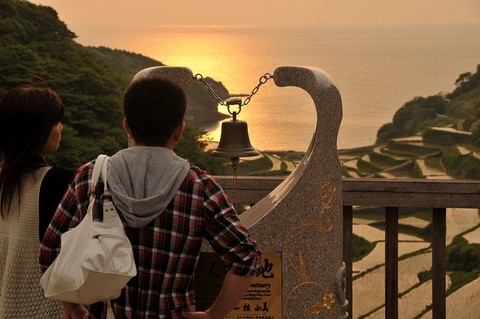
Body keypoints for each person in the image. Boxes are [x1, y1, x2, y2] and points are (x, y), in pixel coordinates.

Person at [39, 75, 262, 319]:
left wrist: (71, 305)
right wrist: (212, 315)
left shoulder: (91, 177)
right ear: (179, 131)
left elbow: (50, 249)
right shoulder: (199, 187)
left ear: (127, 127)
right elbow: (246, 257)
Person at [0, 84, 75, 318]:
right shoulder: (58, 181)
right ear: (37, 130)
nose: (60, 128)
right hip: (45, 310)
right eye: (55, 122)